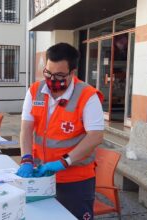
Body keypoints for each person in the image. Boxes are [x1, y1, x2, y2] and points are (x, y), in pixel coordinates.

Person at [16, 43, 104, 220]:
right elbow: (26, 128)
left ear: (72, 72)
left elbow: (95, 137)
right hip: (41, 175)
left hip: (75, 180)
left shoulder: (87, 95)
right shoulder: (35, 91)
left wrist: (64, 162)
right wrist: (26, 159)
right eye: (48, 73)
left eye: (59, 75)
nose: (52, 79)